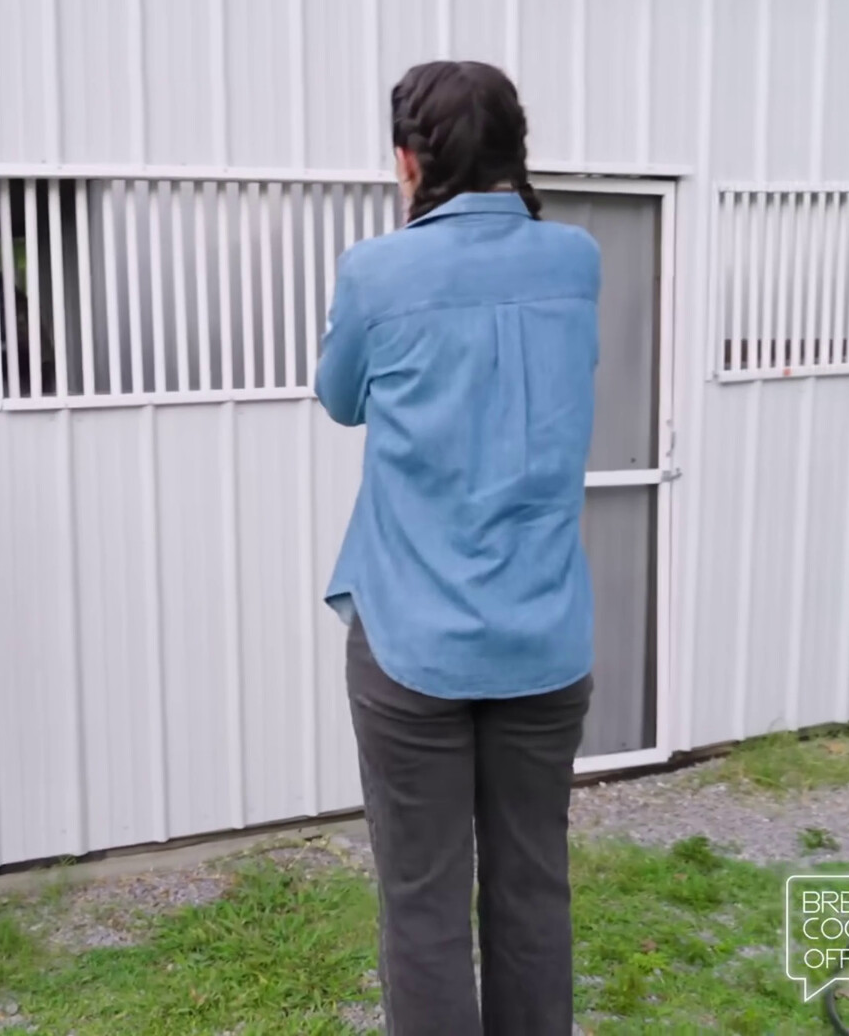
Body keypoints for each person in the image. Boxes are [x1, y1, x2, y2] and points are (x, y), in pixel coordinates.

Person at [314, 60, 599, 1036]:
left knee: (424, 905)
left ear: (408, 159)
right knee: (533, 888)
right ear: (518, 153)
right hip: (545, 637)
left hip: (411, 640)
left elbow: (340, 397)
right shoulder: (576, 261)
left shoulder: (377, 272)